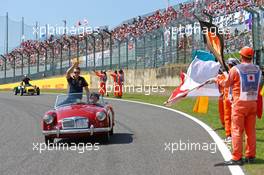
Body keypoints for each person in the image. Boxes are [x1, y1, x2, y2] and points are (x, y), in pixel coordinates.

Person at [215, 47, 262, 165]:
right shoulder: (258, 69)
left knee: (236, 130)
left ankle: (237, 157)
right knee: (251, 131)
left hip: (239, 104)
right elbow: (260, 85)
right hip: (253, 103)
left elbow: (227, 84)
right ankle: (250, 156)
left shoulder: (235, 70)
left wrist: (218, 80)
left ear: (241, 56)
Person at [218, 58, 240, 143]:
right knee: (236, 118)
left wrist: (219, 81)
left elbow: (224, 83)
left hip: (229, 99)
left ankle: (229, 135)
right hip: (236, 99)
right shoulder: (238, 73)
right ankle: (235, 135)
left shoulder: (229, 73)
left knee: (228, 118)